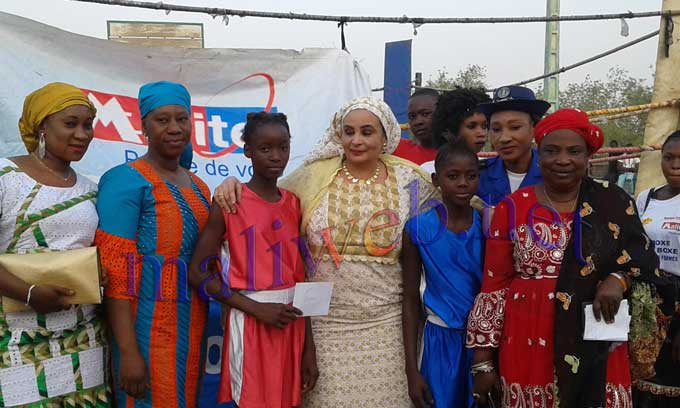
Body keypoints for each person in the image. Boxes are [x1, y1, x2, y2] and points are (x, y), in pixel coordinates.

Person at [213, 97, 438, 407]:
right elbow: (264, 197)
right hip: (322, 326)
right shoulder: (313, 177)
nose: (356, 140)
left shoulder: (412, 183)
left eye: (367, 132)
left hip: (387, 327)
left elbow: (454, 212)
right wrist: (229, 184)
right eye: (349, 132)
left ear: (385, 136)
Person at [467, 108, 661, 408]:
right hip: (527, 340)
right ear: (538, 153)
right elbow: (494, 284)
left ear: (588, 157)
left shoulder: (613, 201)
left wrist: (617, 279)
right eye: (551, 151)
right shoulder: (513, 206)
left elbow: (643, 260)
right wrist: (483, 363)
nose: (563, 160)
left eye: (574, 151)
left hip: (595, 338)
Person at [188, 112, 317, 408]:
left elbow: (301, 279)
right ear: (248, 150)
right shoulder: (230, 202)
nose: (276, 156)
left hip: (290, 324)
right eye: (265, 148)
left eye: (283, 147)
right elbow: (197, 273)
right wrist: (255, 308)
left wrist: (309, 349)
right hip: (251, 322)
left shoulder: (294, 203)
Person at [95, 81, 209, 408]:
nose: (174, 128)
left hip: (192, 325)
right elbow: (115, 273)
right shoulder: (126, 180)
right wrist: (129, 352)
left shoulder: (199, 186)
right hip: (144, 328)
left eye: (181, 119)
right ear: (143, 125)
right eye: (162, 120)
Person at [0, 82, 109, 407]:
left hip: (84, 337)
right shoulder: (6, 177)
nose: (82, 134)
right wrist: (30, 293)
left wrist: (100, 274)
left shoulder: (91, 189)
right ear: (41, 126)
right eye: (70, 123)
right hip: (16, 336)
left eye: (87, 125)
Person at [402, 140, 484, 408]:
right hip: (438, 341)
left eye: (471, 176)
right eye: (453, 176)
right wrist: (411, 370)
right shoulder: (417, 229)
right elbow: (411, 300)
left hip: (483, 341)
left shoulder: (489, 224)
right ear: (437, 180)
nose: (463, 183)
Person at [633, 131, 680, 407]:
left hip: (678, 302)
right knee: (644, 379)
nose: (675, 165)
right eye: (668, 157)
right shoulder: (646, 199)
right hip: (648, 303)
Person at [476, 85, 550, 206]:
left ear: (535, 128)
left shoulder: (552, 174)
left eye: (515, 127)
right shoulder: (477, 175)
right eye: (496, 129)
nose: (504, 138)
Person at [420, 87, 491, 174]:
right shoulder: (426, 171)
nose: (481, 133)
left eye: (485, 126)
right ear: (446, 131)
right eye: (471, 126)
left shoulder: (490, 168)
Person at [393, 88, 439, 165]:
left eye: (425, 114)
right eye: (412, 116)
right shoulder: (396, 150)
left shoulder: (458, 154)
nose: (418, 122)